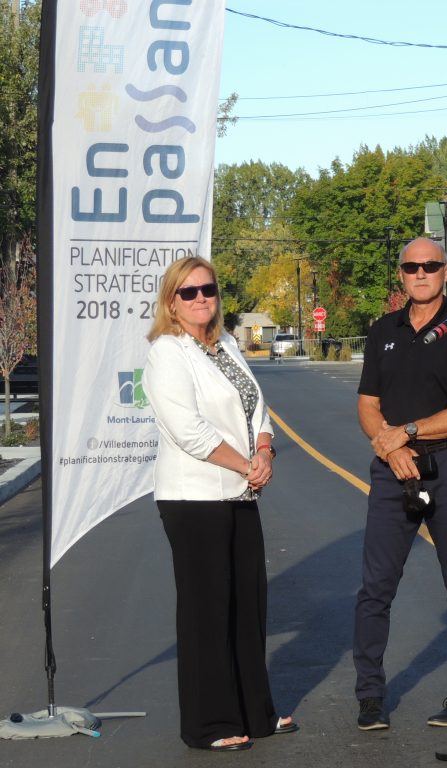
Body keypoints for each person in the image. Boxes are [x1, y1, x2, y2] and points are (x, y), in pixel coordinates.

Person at [142, 257, 297, 752]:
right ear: (172, 301)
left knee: (247, 607)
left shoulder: (226, 343)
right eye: (188, 293)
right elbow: (188, 429)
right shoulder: (168, 352)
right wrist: (244, 463)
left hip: (238, 492)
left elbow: (258, 406)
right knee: (207, 611)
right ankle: (209, 724)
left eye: (206, 289)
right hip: (193, 497)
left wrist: (265, 449)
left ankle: (256, 712)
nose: (200, 299)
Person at [354, 238, 447, 731]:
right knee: (375, 589)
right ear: (401, 274)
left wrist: (408, 433)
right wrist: (391, 448)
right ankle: (369, 696)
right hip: (393, 471)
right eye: (411, 266)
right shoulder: (381, 330)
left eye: (430, 265)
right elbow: (368, 404)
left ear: (446, 271)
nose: (420, 273)